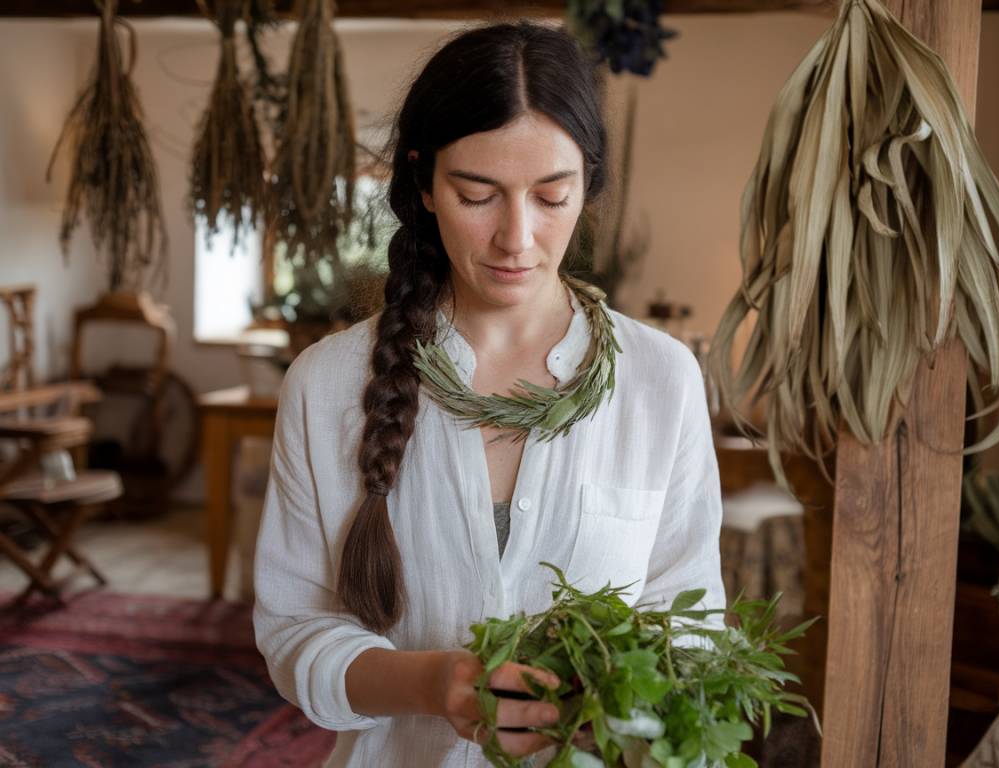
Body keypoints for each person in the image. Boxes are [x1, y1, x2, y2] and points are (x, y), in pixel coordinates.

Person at [253, 19, 725, 768]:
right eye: (478, 194)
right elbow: (295, 632)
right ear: (424, 185)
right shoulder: (327, 385)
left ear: (588, 187)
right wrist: (436, 682)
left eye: (551, 196)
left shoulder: (661, 381)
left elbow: (691, 626)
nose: (517, 237)